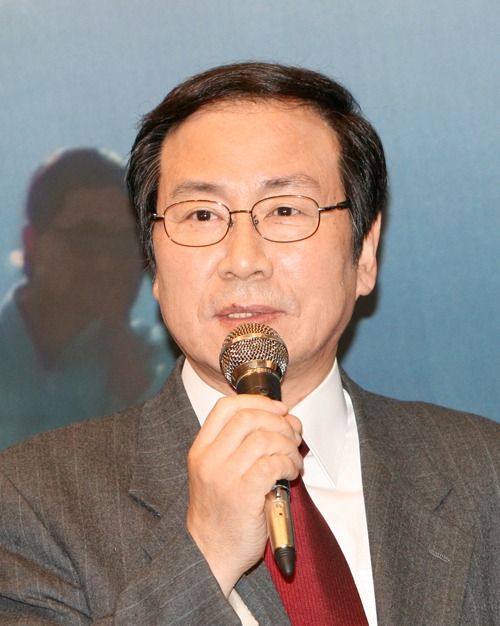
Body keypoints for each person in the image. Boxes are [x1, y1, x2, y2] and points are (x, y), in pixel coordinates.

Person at [0, 63, 498, 625]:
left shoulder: (483, 471)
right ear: (154, 264)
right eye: (201, 214)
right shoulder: (29, 501)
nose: (242, 261)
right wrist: (205, 553)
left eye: (285, 210)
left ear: (364, 252)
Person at [0, 147, 175, 449]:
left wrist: (120, 345)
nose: (105, 262)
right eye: (85, 237)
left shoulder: (155, 361)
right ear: (32, 243)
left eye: (120, 242)